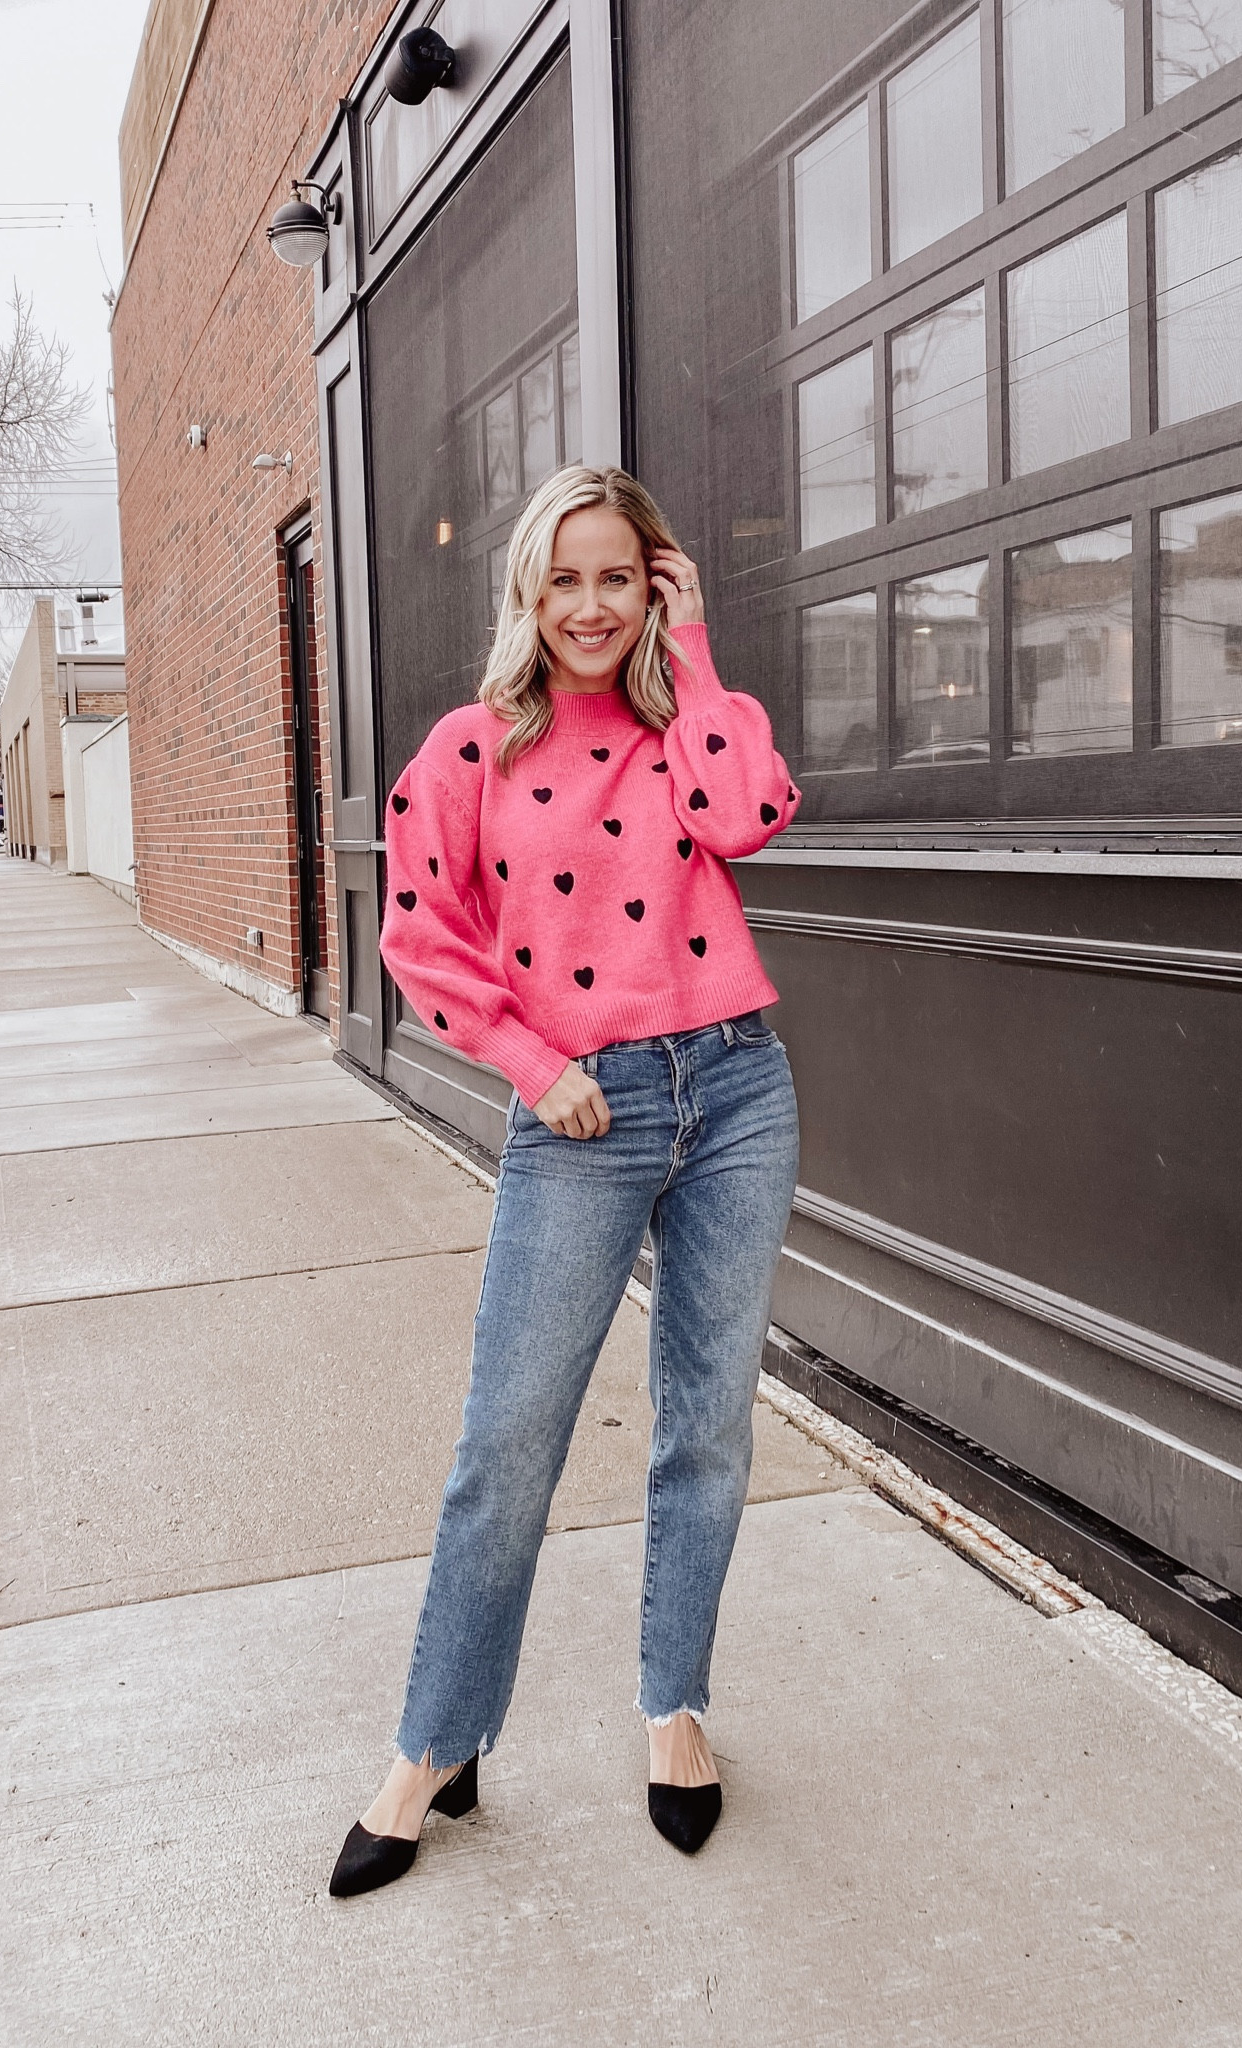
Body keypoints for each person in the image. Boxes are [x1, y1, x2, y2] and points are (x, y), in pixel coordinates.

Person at [330, 464, 801, 1899]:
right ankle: (434, 1745)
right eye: (565, 579)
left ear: (651, 584)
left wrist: (699, 647)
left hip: (733, 1091)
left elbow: (751, 818)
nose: (591, 608)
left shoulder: (691, 728)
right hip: (585, 1118)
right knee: (508, 1446)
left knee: (706, 1427)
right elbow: (421, 938)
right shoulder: (470, 750)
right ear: (525, 591)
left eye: (620, 578)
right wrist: (538, 1069)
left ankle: (675, 1714)